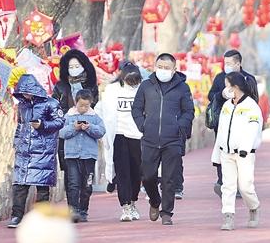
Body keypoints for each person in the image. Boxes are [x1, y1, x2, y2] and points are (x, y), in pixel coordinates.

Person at [132, 52, 194, 226]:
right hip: (150, 138)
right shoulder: (146, 86)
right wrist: (143, 125)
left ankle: (167, 212)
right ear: (155, 67)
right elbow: (136, 109)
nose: (163, 70)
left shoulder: (182, 88)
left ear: (174, 70)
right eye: (160, 67)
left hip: (172, 140)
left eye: (167, 68)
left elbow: (188, 112)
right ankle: (154, 201)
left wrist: (179, 127)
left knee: (169, 178)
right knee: (148, 175)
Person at [9, 73, 65, 228]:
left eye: (27, 92)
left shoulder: (51, 103)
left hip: (43, 149)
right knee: (19, 185)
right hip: (24, 150)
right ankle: (16, 216)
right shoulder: (22, 105)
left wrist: (42, 125)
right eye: (23, 92)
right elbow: (20, 125)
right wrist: (16, 143)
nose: (26, 95)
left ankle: (42, 217)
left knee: (42, 186)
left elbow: (60, 121)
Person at [211, 72, 262, 231]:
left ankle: (253, 207)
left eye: (227, 86)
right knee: (228, 186)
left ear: (236, 87)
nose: (225, 89)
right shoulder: (227, 106)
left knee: (245, 186)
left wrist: (245, 149)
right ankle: (228, 216)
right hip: (226, 153)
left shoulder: (251, 106)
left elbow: (253, 129)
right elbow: (221, 131)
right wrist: (217, 154)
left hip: (244, 154)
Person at [206, 49, 258, 197]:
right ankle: (223, 182)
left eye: (229, 63)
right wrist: (221, 95)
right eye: (225, 63)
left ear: (238, 63)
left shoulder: (248, 79)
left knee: (241, 154)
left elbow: (254, 99)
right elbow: (211, 95)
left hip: (242, 124)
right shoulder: (220, 78)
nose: (226, 66)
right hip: (223, 121)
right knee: (223, 151)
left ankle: (240, 184)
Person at [98, 62, 144, 222]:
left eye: (135, 81)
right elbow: (101, 109)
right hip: (119, 135)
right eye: (130, 81)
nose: (133, 84)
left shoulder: (142, 89)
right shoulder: (112, 90)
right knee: (122, 171)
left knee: (136, 172)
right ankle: (125, 206)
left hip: (138, 136)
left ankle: (133, 201)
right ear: (123, 77)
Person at [52, 49, 99, 186]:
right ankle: (72, 205)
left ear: (85, 66)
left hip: (87, 132)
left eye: (77, 66)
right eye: (70, 67)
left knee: (85, 175)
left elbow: (95, 107)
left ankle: (82, 205)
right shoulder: (60, 86)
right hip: (67, 131)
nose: (74, 70)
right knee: (70, 174)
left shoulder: (91, 87)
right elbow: (55, 107)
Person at [59, 89, 105, 223]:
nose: (84, 108)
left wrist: (89, 128)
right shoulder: (69, 116)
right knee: (73, 183)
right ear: (75, 103)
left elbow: (101, 131)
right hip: (72, 155)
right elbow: (61, 133)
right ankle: (72, 210)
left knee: (87, 184)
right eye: (81, 105)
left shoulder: (95, 117)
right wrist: (74, 128)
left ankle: (83, 210)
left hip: (89, 156)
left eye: (87, 105)